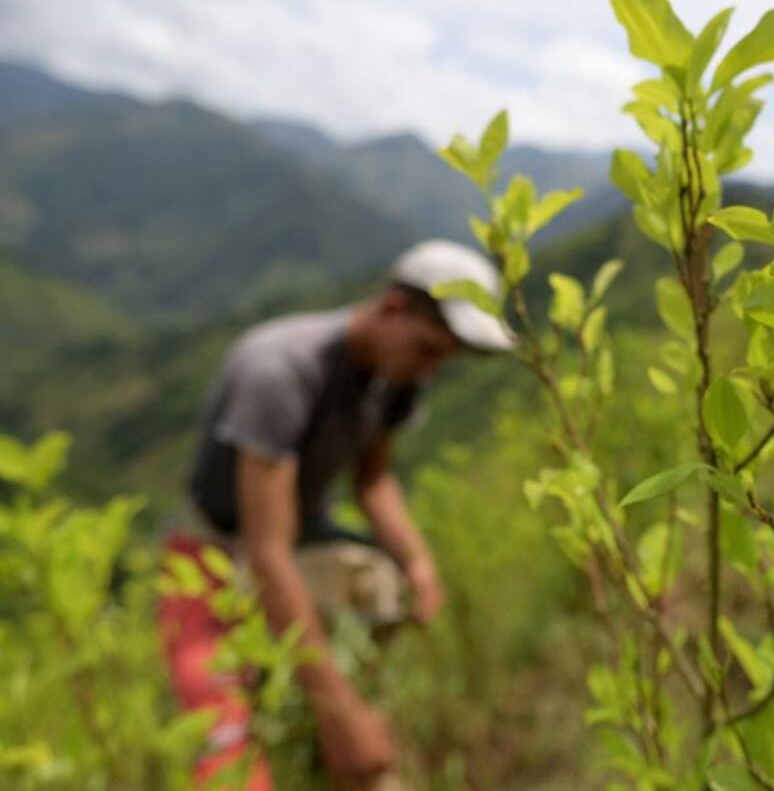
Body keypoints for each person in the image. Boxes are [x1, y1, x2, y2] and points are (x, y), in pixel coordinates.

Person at [156, 239, 513, 789]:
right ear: (393, 308)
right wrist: (337, 708)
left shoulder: (398, 378)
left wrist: (416, 562)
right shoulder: (278, 370)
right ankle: (318, 722)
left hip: (300, 538)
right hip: (215, 553)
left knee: (381, 590)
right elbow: (266, 552)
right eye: (426, 350)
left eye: (443, 357)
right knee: (222, 741)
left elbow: (373, 479)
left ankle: (329, 735)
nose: (432, 371)